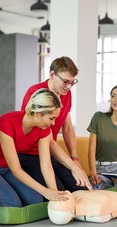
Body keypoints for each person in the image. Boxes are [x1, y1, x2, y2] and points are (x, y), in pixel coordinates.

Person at [0, 88, 70, 207]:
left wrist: (55, 194)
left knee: (35, 200)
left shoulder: (44, 129)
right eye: (51, 118)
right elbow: (16, 169)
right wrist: (45, 191)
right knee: (10, 203)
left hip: (6, 168)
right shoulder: (7, 122)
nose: (53, 124)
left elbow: (46, 166)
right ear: (38, 113)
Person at [19, 56, 91, 192]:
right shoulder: (35, 93)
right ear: (52, 74)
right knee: (62, 193)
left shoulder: (66, 94)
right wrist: (72, 166)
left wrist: (74, 158)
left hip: (51, 153)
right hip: (30, 155)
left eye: (72, 82)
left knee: (81, 187)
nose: (69, 86)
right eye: (65, 81)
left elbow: (68, 127)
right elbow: (44, 136)